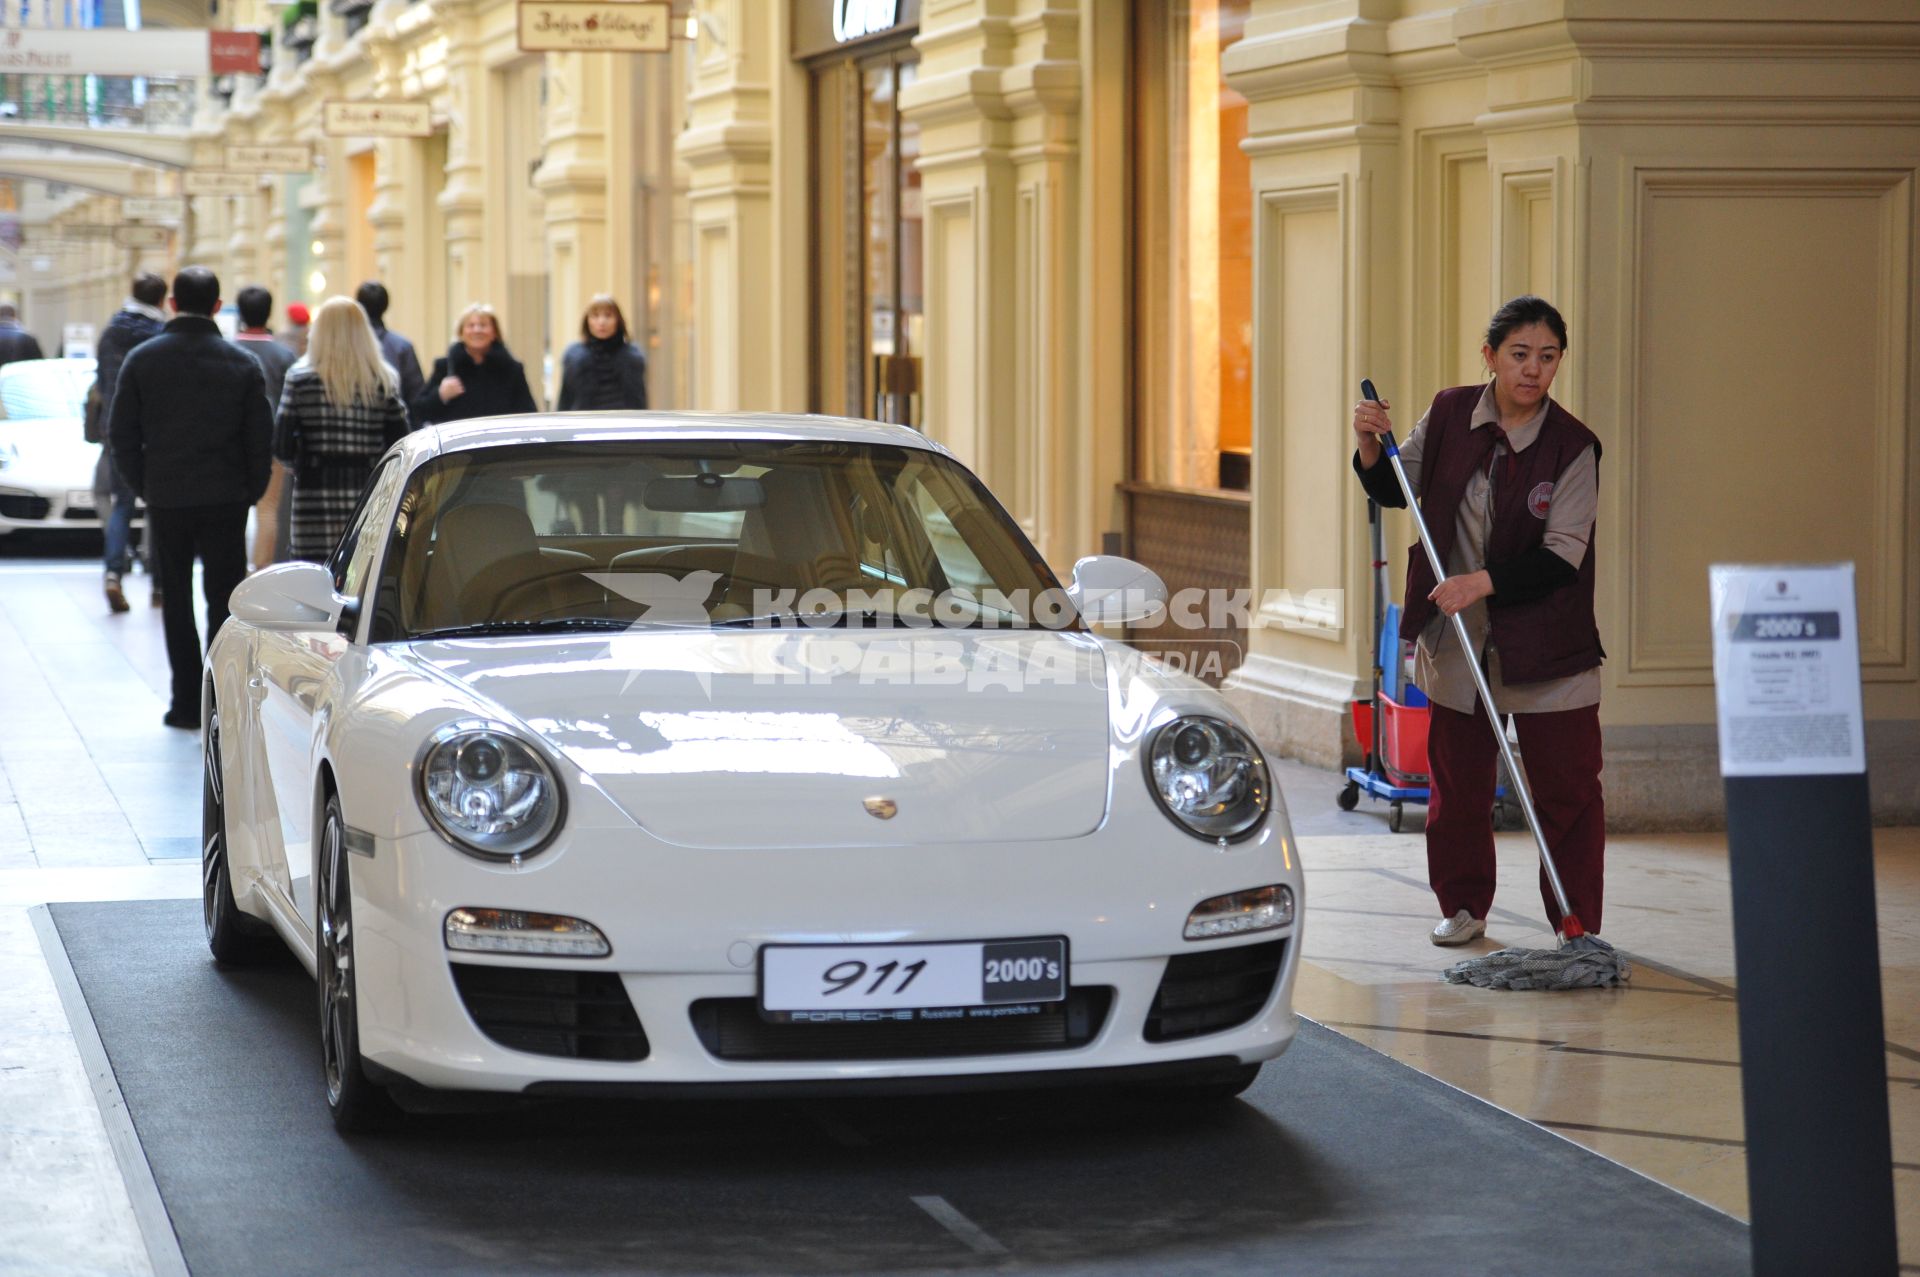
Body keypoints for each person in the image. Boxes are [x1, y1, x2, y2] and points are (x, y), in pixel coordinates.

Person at [1349, 295, 1605, 947]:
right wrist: (1368, 444)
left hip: (1550, 646)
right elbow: (1391, 491)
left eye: (1548, 358)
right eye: (1520, 355)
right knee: (1459, 788)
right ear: (1489, 356)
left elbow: (1561, 559)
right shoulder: (1448, 413)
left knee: (1566, 793)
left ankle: (1577, 926)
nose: (1533, 370)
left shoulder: (1573, 447)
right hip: (1460, 645)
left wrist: (1478, 583)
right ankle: (1463, 904)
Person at [109, 267, 273, 730]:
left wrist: (145, 484)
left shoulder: (142, 360)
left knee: (175, 595)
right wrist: (252, 490)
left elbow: (121, 434)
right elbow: (260, 438)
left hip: (168, 494)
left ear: (173, 305)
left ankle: (185, 703)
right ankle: (220, 698)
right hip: (226, 496)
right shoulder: (241, 364)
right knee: (223, 597)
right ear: (219, 307)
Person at [273, 297, 408, 562]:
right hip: (369, 490)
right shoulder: (382, 380)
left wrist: (299, 461)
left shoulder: (300, 379)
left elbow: (281, 445)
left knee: (314, 574)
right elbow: (401, 439)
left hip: (313, 494)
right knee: (361, 568)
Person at [90, 273, 168, 613]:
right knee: (158, 506)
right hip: (154, 432)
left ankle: (113, 574)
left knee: (122, 503)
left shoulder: (109, 333)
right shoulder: (160, 335)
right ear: (162, 300)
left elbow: (102, 381)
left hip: (115, 428)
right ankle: (159, 584)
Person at [230, 286, 300, 571]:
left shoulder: (228, 351)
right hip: (273, 444)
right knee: (268, 509)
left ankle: (232, 568)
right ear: (268, 313)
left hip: (231, 444)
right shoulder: (284, 356)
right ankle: (260, 569)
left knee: (232, 510)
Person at [411, 303, 537, 426]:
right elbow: (418, 412)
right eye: (471, 326)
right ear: (461, 333)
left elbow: (529, 414)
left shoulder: (512, 370)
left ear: (494, 333)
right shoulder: (445, 367)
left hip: (500, 443)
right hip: (457, 444)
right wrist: (440, 395)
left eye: (483, 325)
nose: (477, 330)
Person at [556, 294, 648, 411]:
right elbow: (565, 400)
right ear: (587, 321)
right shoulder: (574, 356)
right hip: (582, 424)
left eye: (608, 315)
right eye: (595, 316)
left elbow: (639, 401)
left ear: (618, 320)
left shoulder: (632, 357)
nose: (601, 322)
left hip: (623, 424)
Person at [354, 281, 425, 423]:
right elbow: (416, 396)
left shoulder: (347, 346)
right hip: (396, 428)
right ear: (386, 306)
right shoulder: (402, 347)